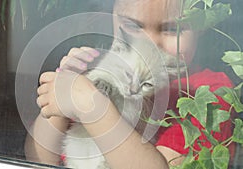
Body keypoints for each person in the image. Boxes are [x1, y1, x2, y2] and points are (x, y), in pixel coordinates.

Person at [24, 0, 234, 168]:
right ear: (112, 18)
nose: (150, 42)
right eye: (133, 25)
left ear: (203, 28)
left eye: (171, 28)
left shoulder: (207, 92)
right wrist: (67, 88)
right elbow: (37, 157)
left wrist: (92, 106)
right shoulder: (100, 65)